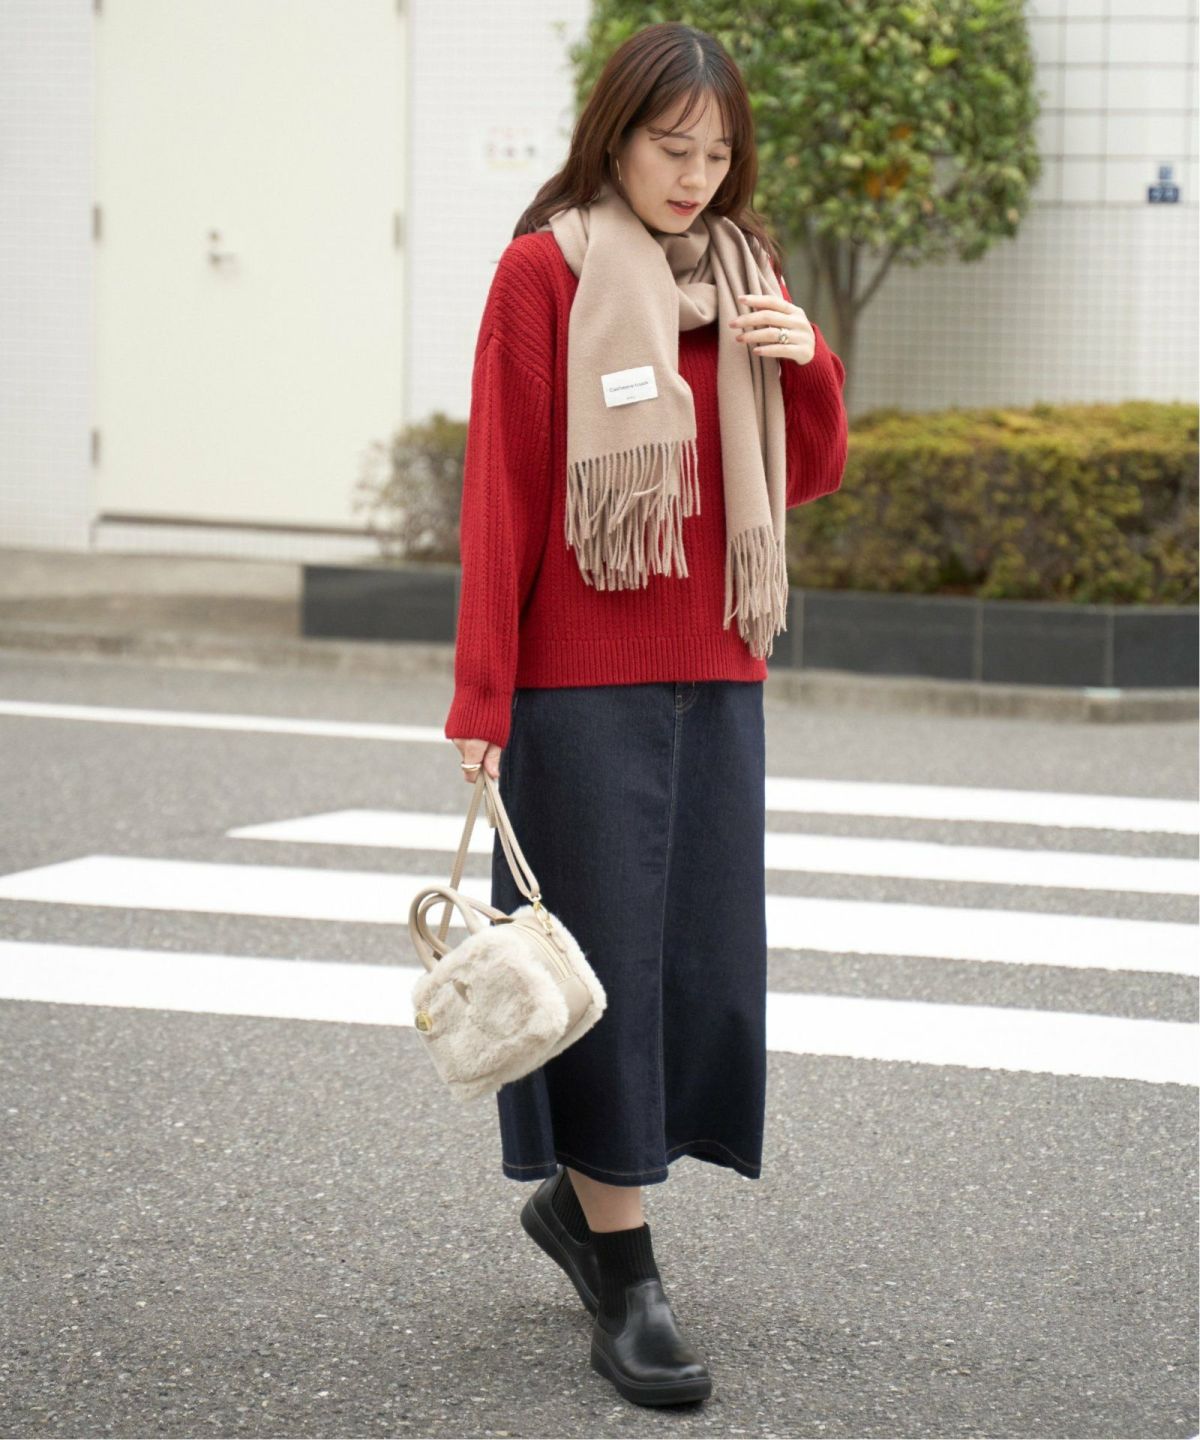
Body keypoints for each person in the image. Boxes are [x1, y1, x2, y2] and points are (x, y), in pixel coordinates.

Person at [444, 20, 848, 1408]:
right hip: (577, 686)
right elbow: (501, 492)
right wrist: (481, 696)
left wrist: (805, 360)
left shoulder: (741, 272)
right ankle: (628, 1273)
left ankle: (579, 1205)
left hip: (718, 669)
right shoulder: (543, 273)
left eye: (718, 154)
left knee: (701, 972)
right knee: (605, 971)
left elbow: (805, 472)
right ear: (613, 136)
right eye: (673, 148)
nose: (695, 176)